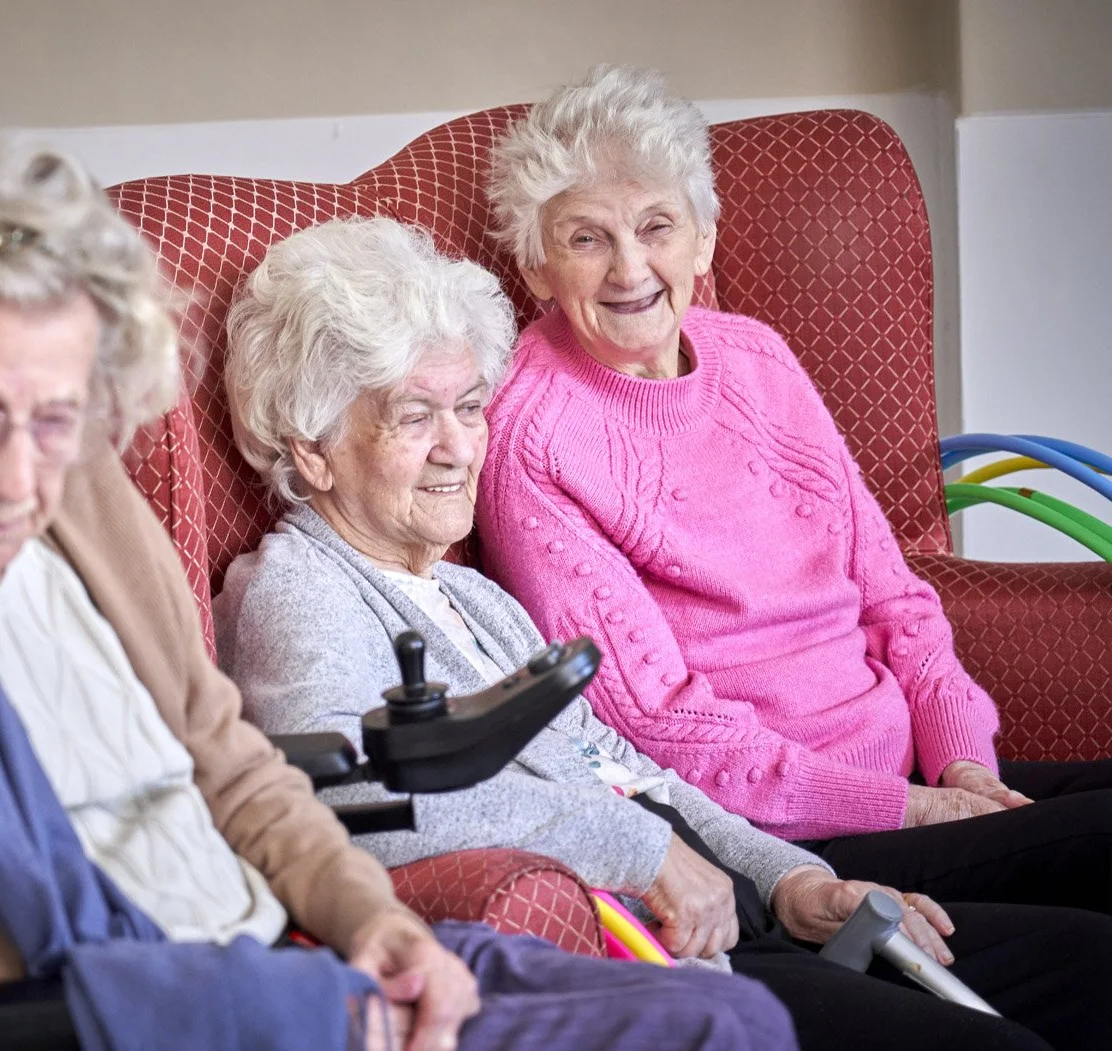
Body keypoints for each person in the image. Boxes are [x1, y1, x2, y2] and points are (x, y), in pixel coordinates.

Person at [0, 135, 797, 1051]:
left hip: (281, 949)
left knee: (730, 1015)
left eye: (56, 418)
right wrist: (324, 1014)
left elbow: (227, 753)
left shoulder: (75, 481)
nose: (16, 478)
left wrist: (373, 923)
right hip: (167, 1009)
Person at [215, 214, 1112, 1051]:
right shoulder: (298, 592)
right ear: (311, 447)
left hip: (733, 913)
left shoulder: (467, 594)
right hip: (647, 965)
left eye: (470, 406)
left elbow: (625, 764)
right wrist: (641, 850)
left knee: (1088, 964)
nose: (459, 446)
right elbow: (344, 802)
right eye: (414, 416)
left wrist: (791, 879)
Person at [478, 62, 1112, 950]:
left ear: (702, 239)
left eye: (657, 226)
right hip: (799, 838)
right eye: (587, 238)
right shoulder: (532, 435)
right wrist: (918, 809)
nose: (631, 267)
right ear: (537, 265)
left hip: (920, 772)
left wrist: (964, 756)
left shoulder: (758, 358)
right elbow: (656, 727)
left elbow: (896, 595)